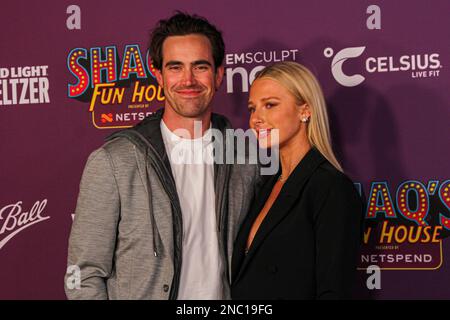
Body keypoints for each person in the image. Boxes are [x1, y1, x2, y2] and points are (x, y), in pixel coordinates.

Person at [65, 12, 259, 300]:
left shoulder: (245, 156)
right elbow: (83, 275)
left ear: (219, 74)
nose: (188, 79)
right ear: (158, 75)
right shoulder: (114, 161)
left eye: (200, 66)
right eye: (176, 67)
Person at [231, 61, 363, 299]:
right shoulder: (266, 185)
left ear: (305, 110)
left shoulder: (330, 188)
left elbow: (333, 291)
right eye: (252, 108)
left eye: (270, 105)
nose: (256, 119)